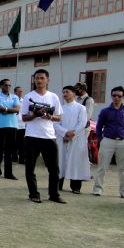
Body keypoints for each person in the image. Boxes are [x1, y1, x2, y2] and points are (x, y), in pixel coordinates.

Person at [20, 69, 65, 204]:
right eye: (37, 78)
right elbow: (24, 117)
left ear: (47, 80)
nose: (39, 81)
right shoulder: (28, 97)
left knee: (54, 168)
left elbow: (59, 117)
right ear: (34, 80)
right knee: (30, 167)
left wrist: (49, 116)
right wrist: (35, 114)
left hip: (49, 136)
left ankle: (54, 194)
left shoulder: (53, 97)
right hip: (32, 136)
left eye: (42, 78)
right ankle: (33, 193)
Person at [92, 86, 124, 199]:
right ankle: (98, 189)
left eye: (119, 96)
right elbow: (99, 126)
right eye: (114, 95)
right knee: (102, 167)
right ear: (111, 96)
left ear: (123, 97)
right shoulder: (105, 111)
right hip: (108, 141)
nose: (116, 98)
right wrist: (100, 139)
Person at [55, 86, 90, 194]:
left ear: (74, 94)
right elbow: (55, 124)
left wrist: (72, 134)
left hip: (77, 139)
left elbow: (82, 123)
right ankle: (57, 184)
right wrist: (65, 133)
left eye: (67, 92)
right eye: (63, 92)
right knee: (60, 160)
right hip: (62, 138)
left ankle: (75, 186)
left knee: (75, 161)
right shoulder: (60, 108)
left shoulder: (81, 108)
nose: (65, 94)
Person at [0, 78, 20, 180]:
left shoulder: (15, 97)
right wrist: (10, 110)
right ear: (1, 86)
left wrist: (7, 109)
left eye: (9, 85)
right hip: (1, 126)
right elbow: (1, 110)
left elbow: (17, 109)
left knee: (10, 151)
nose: (7, 87)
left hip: (13, 126)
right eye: (5, 85)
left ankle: (8, 173)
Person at [14, 86, 26, 164]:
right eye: (19, 91)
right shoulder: (12, 100)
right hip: (13, 124)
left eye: (21, 91)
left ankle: (22, 159)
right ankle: (14, 157)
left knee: (22, 143)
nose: (20, 92)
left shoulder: (24, 101)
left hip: (22, 125)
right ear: (15, 92)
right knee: (13, 142)